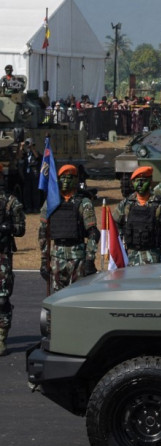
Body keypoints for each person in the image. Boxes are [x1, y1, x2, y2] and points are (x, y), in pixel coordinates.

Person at [39, 164, 99, 292]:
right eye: (63, 178)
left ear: (76, 180)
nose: (66, 181)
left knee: (77, 296)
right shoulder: (51, 202)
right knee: (57, 299)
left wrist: (90, 260)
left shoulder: (84, 202)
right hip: (57, 258)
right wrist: (44, 261)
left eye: (70, 178)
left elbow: (93, 233)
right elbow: (43, 232)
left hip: (77, 258)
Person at [113, 166, 161, 265]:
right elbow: (114, 225)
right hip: (131, 258)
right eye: (137, 181)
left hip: (154, 258)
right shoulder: (126, 204)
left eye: (144, 181)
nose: (140, 184)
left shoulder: (160, 205)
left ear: (150, 181)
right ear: (132, 183)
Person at [0, 163, 25, 355]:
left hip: (2, 255)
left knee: (2, 299)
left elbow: (21, 230)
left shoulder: (11, 202)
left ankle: (1, 337)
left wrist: (8, 228)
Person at [18, 138, 41, 213]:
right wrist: (21, 147)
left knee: (35, 192)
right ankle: (28, 207)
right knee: (27, 192)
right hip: (27, 175)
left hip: (34, 173)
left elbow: (37, 157)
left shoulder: (36, 152)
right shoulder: (26, 154)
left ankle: (36, 207)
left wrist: (32, 148)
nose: (28, 147)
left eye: (29, 145)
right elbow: (20, 156)